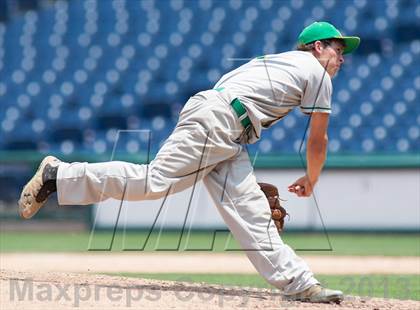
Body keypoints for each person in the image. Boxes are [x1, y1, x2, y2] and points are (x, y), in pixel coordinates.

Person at [18, 21, 360, 303]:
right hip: (222, 121)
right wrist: (311, 179)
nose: (341, 58)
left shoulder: (280, 62)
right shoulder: (317, 73)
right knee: (152, 182)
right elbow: (318, 140)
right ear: (318, 48)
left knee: (252, 211)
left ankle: (301, 284)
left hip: (225, 125)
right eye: (337, 49)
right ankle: (59, 174)